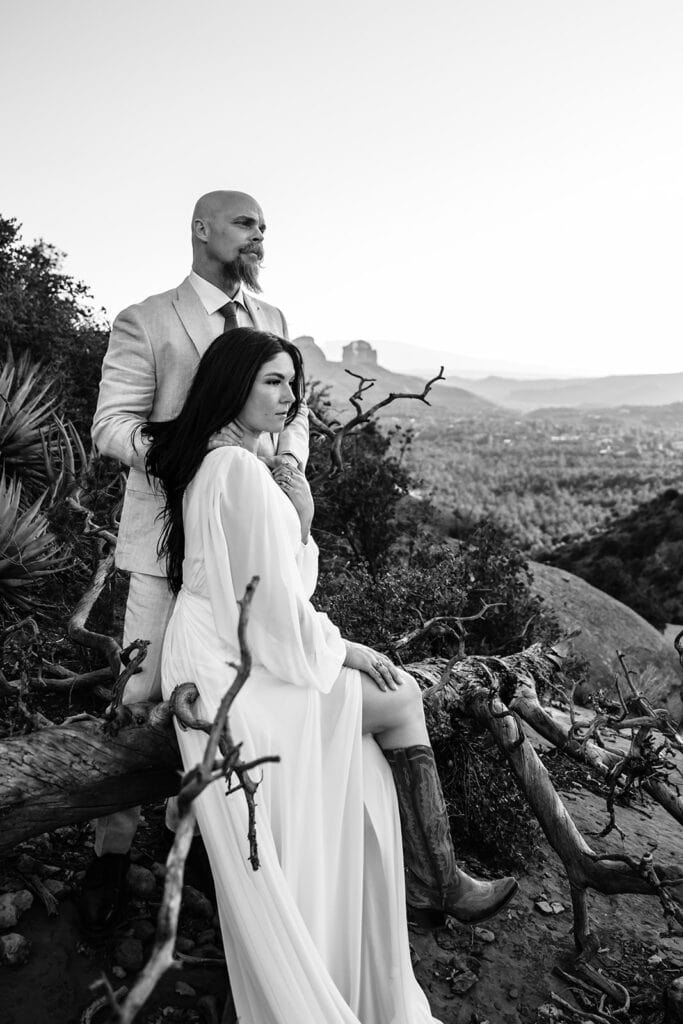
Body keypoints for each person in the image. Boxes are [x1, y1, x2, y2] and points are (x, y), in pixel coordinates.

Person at [146, 327, 517, 1024]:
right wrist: (340, 647)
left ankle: (418, 879)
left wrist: (301, 517)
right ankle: (435, 879)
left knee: (373, 757)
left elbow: (260, 591)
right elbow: (273, 604)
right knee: (401, 693)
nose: (288, 398)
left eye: (292, 383)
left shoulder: (214, 459)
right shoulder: (241, 472)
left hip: (213, 650)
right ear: (232, 385)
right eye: (272, 382)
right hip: (234, 663)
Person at [81, 191, 308, 933]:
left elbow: (292, 416)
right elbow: (111, 423)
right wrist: (187, 457)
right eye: (245, 223)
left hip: (248, 542)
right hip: (162, 542)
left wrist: (284, 473)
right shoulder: (146, 319)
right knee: (139, 690)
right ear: (202, 229)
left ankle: (221, 847)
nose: (257, 237)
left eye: (263, 228)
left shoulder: (271, 322)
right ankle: (111, 853)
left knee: (244, 687)